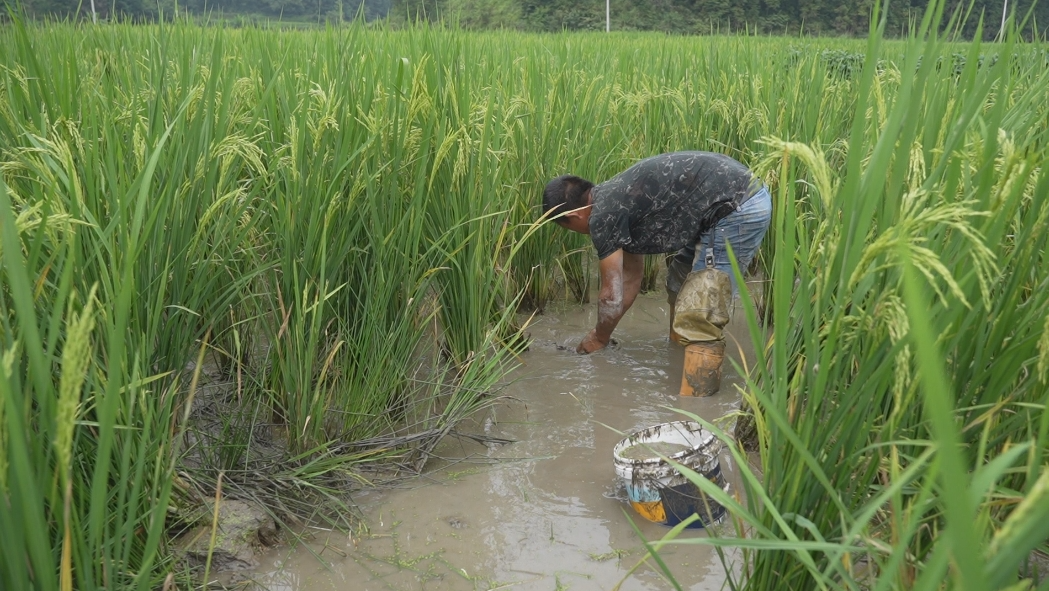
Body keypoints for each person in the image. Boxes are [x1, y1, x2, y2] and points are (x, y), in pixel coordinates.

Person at [542, 151, 772, 354]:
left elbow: (611, 297)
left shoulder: (602, 218)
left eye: (567, 227)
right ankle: (678, 355)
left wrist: (598, 337)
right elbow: (630, 279)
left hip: (738, 207)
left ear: (574, 217)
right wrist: (601, 335)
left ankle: (695, 397)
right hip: (721, 204)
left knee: (701, 311)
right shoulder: (616, 202)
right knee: (678, 284)